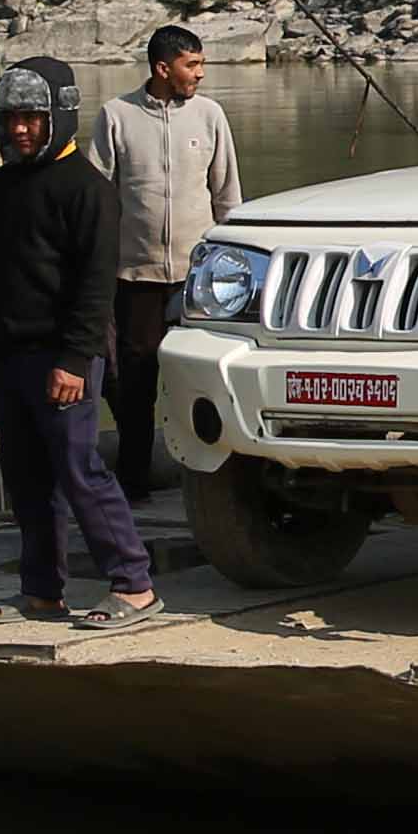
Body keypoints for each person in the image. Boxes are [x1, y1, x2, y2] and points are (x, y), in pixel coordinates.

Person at [0, 57, 160, 631]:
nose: (19, 129)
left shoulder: (88, 190)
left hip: (65, 357)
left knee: (79, 468)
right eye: (11, 118)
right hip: (11, 355)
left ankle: (135, 585)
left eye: (32, 117)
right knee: (26, 476)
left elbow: (97, 287)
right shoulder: (2, 185)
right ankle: (42, 591)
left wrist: (75, 360)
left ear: (60, 117)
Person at [96, 24, 243, 495]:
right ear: (163, 69)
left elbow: (228, 197)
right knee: (134, 382)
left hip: (198, 281)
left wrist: (233, 269)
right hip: (135, 277)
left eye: (201, 64)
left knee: (203, 378)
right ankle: (134, 482)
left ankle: (215, 487)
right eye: (192, 65)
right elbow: (99, 199)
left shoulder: (210, 116)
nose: (200, 74)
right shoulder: (115, 116)